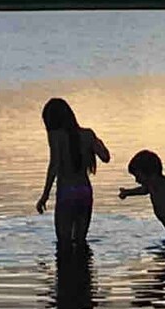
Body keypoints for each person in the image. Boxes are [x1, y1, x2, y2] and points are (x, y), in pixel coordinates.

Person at [36, 97, 110, 243]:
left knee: (64, 244)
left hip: (66, 192)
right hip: (84, 191)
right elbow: (106, 157)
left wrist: (45, 196)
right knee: (81, 241)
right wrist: (96, 140)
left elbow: (54, 165)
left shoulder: (56, 136)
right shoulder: (88, 134)